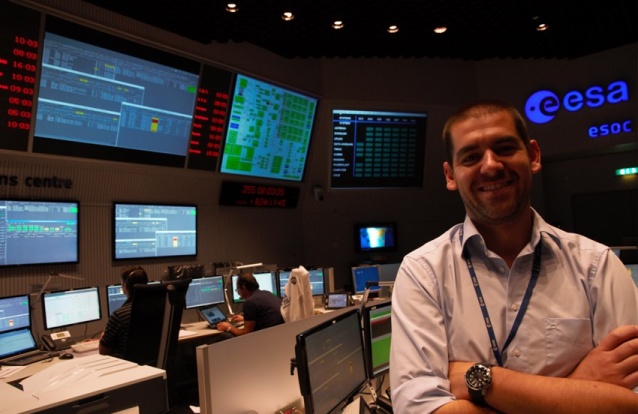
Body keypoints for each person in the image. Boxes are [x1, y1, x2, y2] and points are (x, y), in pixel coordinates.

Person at [389, 99, 638, 413]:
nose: (491, 165)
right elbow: (419, 408)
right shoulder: (423, 273)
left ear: (533, 156)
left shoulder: (597, 266)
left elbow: (632, 403)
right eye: (471, 157)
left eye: (505, 148)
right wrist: (581, 387)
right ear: (450, 175)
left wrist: (483, 381)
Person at [215, 272, 284, 337]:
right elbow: (264, 317)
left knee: (223, 336)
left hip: (264, 339)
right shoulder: (267, 293)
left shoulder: (250, 302)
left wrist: (228, 327)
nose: (238, 292)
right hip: (278, 335)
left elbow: (246, 334)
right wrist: (245, 319)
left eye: (237, 289)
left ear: (243, 288)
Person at [99, 266, 148, 356]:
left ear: (125, 286)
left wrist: (104, 337)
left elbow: (103, 352)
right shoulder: (160, 309)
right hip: (154, 363)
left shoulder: (118, 316)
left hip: (126, 363)